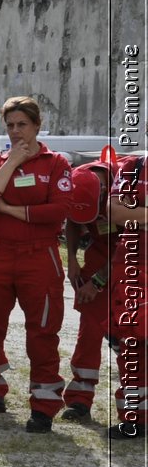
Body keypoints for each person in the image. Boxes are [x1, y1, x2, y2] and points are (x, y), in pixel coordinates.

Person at [0, 97, 83, 432]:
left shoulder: (56, 162)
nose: (15, 131)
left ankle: (43, 408)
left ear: (37, 126)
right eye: (10, 125)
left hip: (38, 257)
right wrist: (11, 163)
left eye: (22, 125)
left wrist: (12, 210)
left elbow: (60, 210)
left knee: (43, 334)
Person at [60, 159, 118, 421]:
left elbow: (131, 248)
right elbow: (73, 222)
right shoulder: (76, 180)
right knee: (90, 329)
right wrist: (72, 259)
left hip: (135, 256)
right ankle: (80, 399)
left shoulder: (129, 189)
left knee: (133, 332)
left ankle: (137, 405)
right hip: (99, 253)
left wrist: (97, 283)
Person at [103, 153, 147, 440]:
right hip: (133, 264)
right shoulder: (134, 167)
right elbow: (116, 213)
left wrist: (139, 213)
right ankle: (134, 418)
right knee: (131, 343)